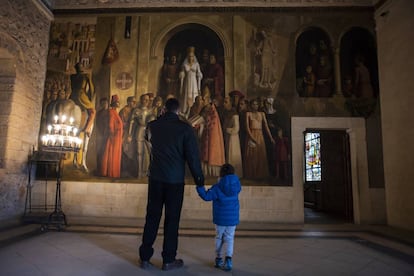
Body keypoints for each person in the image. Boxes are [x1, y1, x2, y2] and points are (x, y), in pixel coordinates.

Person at [139, 98, 204, 271]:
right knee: (172, 220)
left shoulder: (153, 125)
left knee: (152, 217)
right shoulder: (185, 128)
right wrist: (199, 180)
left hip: (156, 178)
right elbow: (192, 157)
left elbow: (148, 143)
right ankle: (168, 260)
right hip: (174, 181)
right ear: (178, 110)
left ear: (164, 109)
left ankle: (144, 258)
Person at [196, 163, 241, 272]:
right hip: (232, 219)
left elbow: (206, 197)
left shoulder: (217, 187)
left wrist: (200, 187)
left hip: (220, 219)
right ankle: (229, 259)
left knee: (219, 238)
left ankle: (218, 258)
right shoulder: (237, 186)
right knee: (230, 238)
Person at [70, 62, 95, 136]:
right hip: (81, 96)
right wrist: (89, 79)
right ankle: (87, 129)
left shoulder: (72, 76)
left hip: (72, 95)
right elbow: (92, 90)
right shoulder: (85, 76)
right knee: (93, 111)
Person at [100, 95, 123, 178]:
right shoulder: (111, 112)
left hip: (117, 137)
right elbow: (110, 123)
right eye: (117, 101)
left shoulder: (115, 112)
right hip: (114, 137)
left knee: (115, 153)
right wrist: (112, 133)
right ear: (114, 103)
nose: (119, 103)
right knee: (111, 153)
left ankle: (113, 172)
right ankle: (111, 172)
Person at [179, 46, 203, 114]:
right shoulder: (185, 64)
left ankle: (193, 111)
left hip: (194, 83)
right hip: (187, 83)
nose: (190, 58)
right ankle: (185, 111)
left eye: (192, 56)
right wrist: (181, 87)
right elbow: (182, 76)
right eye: (189, 56)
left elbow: (199, 75)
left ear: (194, 57)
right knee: (187, 95)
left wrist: (199, 87)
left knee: (194, 96)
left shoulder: (196, 64)